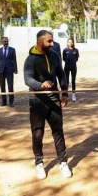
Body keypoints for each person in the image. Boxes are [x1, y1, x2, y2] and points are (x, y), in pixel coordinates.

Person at [24, 30, 71, 180]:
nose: (52, 44)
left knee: (58, 132)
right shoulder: (31, 59)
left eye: (52, 41)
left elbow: (61, 75)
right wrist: (40, 85)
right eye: (49, 41)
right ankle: (39, 163)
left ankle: (63, 162)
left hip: (54, 100)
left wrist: (64, 93)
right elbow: (28, 79)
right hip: (37, 101)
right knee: (37, 134)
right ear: (40, 42)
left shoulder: (55, 55)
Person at [0, 36, 18, 107]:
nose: (6, 42)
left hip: (9, 71)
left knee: (10, 87)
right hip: (1, 70)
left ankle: (11, 102)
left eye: (7, 41)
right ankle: (3, 101)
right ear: (1, 42)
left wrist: (15, 69)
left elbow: (14, 60)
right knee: (2, 87)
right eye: (4, 41)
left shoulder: (12, 50)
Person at [62, 38, 79, 102]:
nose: (70, 43)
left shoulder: (76, 50)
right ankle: (66, 94)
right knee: (66, 81)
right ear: (67, 43)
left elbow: (76, 59)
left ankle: (73, 95)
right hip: (66, 67)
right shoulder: (65, 50)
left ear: (73, 43)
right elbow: (64, 58)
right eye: (69, 42)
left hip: (73, 67)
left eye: (71, 42)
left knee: (73, 81)